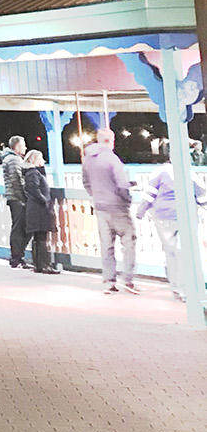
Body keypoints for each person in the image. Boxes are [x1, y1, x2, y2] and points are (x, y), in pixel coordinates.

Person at [134, 148, 207, 302]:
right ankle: (186, 290)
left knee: (170, 252)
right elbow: (202, 197)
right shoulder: (190, 174)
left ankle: (175, 286)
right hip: (185, 217)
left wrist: (141, 211)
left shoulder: (160, 172)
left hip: (162, 217)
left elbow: (149, 194)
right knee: (184, 253)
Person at [81, 127, 137, 295]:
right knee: (129, 241)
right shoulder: (112, 159)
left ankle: (109, 281)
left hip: (100, 206)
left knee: (107, 245)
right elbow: (121, 184)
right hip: (117, 207)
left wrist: (97, 195)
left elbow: (86, 182)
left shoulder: (88, 159)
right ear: (110, 141)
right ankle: (128, 279)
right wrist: (127, 199)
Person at [21, 150, 60, 274]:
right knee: (41, 237)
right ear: (33, 160)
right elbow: (33, 189)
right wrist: (44, 201)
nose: (42, 161)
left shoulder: (31, 172)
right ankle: (44, 264)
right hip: (39, 208)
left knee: (38, 237)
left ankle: (38, 264)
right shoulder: (33, 173)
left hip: (35, 208)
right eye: (40, 158)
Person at [1, 136, 29, 268]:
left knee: (20, 227)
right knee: (19, 228)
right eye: (23, 145)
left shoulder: (11, 158)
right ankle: (16, 257)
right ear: (17, 147)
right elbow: (16, 180)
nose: (25, 147)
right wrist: (24, 198)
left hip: (14, 198)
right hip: (17, 198)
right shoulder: (13, 159)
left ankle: (17, 256)